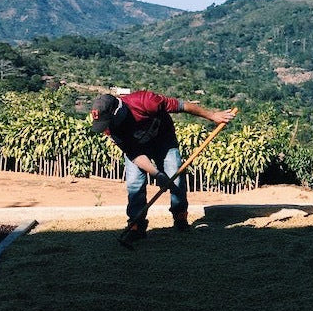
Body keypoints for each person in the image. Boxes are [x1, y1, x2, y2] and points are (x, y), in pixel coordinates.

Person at [90, 90, 237, 241]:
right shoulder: (109, 128)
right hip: (137, 148)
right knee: (134, 184)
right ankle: (136, 226)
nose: (107, 127)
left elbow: (182, 106)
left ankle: (180, 218)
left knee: (175, 176)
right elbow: (135, 155)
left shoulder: (145, 101)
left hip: (164, 141)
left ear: (118, 111)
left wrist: (212, 116)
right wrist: (157, 174)